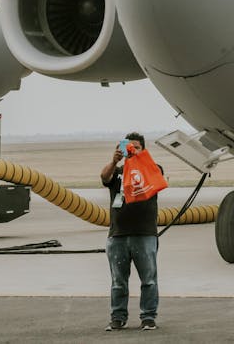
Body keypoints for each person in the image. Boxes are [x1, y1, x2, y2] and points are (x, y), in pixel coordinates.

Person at [100, 132, 160, 332]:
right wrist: (114, 160)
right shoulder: (117, 173)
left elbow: (152, 179)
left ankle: (148, 317)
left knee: (148, 279)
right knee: (118, 281)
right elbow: (104, 177)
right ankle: (118, 317)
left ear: (144, 150)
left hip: (144, 234)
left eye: (137, 147)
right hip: (118, 234)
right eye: (129, 147)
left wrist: (138, 158)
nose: (132, 150)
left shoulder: (152, 169)